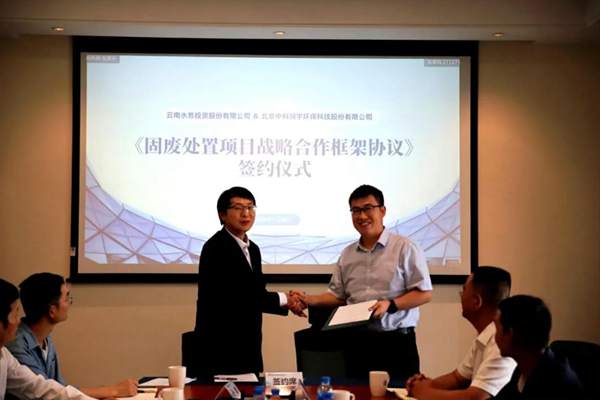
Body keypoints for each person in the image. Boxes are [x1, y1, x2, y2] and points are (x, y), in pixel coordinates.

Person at [294, 184, 433, 382]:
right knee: (357, 393)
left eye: (368, 208)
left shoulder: (405, 247)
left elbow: (424, 293)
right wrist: (308, 299)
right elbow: (338, 296)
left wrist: (390, 305)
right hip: (355, 342)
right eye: (356, 210)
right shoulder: (348, 254)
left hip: (396, 343)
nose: (361, 216)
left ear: (382, 211)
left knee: (399, 394)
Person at [194, 186, 303, 377]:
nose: (246, 213)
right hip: (220, 347)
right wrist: (286, 299)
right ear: (222, 215)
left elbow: (256, 292)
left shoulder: (253, 249)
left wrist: (287, 302)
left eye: (250, 207)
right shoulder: (216, 247)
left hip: (248, 346)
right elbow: (241, 296)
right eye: (238, 208)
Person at [6, 273, 137, 399]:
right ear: (52, 310)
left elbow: (61, 390)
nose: (69, 303)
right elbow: (48, 394)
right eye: (66, 298)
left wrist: (107, 393)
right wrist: (113, 390)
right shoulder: (16, 345)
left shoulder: (45, 339)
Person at [407, 266, 516, 400]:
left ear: (476, 301)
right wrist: (425, 384)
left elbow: (475, 397)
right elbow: (457, 378)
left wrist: (424, 392)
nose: (461, 295)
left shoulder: (499, 343)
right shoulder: (484, 336)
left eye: (464, 290)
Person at [0, 278, 96, 400]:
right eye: (15, 314)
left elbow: (42, 388)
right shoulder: (17, 345)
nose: (18, 321)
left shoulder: (4, 355)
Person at [493, 295, 584, 399]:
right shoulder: (525, 368)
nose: (495, 337)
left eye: (497, 329)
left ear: (510, 334)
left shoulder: (556, 385)